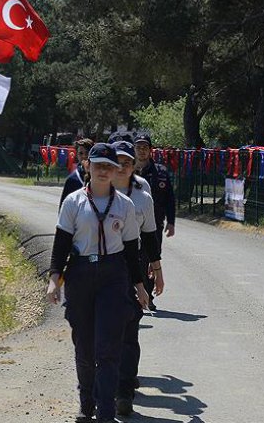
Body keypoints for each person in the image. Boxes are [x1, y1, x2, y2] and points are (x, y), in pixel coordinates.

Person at [47, 143, 147, 423]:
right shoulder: (74, 202)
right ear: (87, 167)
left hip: (113, 277)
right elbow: (62, 243)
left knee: (108, 347)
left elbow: (130, 251)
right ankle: (86, 401)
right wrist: (54, 279)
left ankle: (105, 411)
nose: (104, 171)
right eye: (98, 165)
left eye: (109, 166)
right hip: (80, 274)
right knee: (84, 346)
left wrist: (139, 286)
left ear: (116, 171)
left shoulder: (125, 206)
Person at [111, 140, 164, 416]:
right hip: (101, 268)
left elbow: (150, 235)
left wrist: (157, 270)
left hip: (134, 267)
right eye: (117, 161)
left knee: (129, 331)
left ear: (134, 165)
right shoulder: (93, 188)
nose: (122, 166)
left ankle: (123, 391)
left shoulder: (143, 192)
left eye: (127, 162)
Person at [133, 134, 175, 311]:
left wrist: (171, 222)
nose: (142, 150)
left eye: (145, 147)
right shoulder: (128, 170)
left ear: (150, 150)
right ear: (134, 149)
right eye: (139, 147)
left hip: (155, 224)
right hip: (132, 224)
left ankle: (148, 297)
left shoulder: (161, 172)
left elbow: (170, 199)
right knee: (134, 259)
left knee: (152, 258)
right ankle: (134, 294)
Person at [59, 138, 94, 208]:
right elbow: (63, 207)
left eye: (87, 153)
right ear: (77, 155)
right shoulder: (72, 179)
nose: (84, 156)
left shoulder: (101, 177)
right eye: (81, 153)